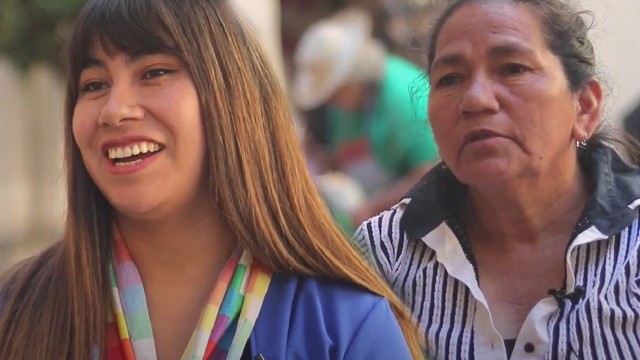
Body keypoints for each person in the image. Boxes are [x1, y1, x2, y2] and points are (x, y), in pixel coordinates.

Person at [0, 0, 424, 359]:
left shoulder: (342, 325)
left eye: (154, 72)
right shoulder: (17, 309)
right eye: (93, 84)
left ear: (230, 98)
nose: (114, 109)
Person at [355, 0, 640, 359]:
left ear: (583, 106)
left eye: (512, 68)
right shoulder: (384, 255)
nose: (474, 100)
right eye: (450, 79)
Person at [292, 8, 439, 229]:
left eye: (334, 93)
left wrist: (373, 208)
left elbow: (433, 170)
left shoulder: (403, 94)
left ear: (354, 78)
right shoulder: (344, 104)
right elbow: (342, 155)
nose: (331, 102)